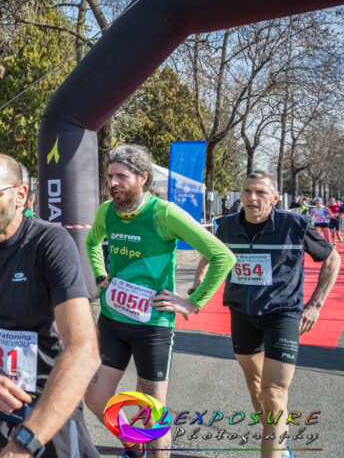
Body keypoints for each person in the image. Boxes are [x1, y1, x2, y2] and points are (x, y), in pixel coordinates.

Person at [0, 152, 102, 458]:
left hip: (44, 411)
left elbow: (84, 350)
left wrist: (23, 445)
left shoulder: (50, 243)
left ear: (20, 194)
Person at [83, 145, 235, 458]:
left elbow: (222, 256)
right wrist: (100, 275)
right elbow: (92, 242)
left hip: (151, 325)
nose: (113, 183)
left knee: (152, 412)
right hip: (112, 321)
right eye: (110, 176)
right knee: (96, 399)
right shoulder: (107, 212)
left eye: (121, 176)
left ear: (143, 177)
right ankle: (133, 447)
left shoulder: (164, 213)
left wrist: (192, 302)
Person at [194, 172, 340, 458]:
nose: (253, 197)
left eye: (260, 192)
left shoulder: (295, 225)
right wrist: (198, 283)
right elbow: (211, 253)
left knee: (273, 393)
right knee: (256, 387)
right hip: (242, 314)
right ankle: (279, 439)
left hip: (282, 315)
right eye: (247, 191)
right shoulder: (227, 225)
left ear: (274, 198)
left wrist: (315, 304)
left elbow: (332, 258)